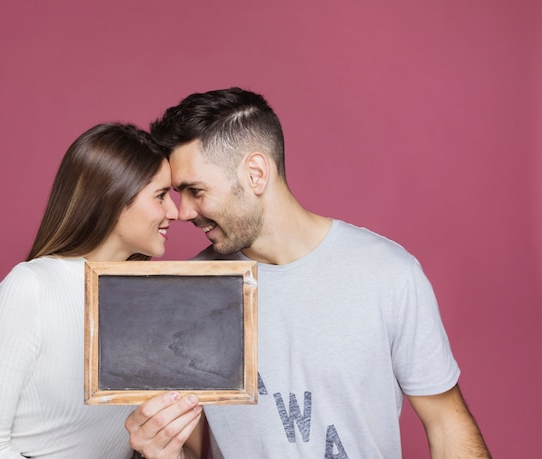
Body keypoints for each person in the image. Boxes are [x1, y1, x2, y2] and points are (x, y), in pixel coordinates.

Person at [125, 88, 492, 458]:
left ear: (255, 173)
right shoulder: (185, 294)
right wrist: (159, 453)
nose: (184, 211)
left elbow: (446, 422)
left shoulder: (389, 274)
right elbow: (191, 450)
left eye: (195, 191)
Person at [0, 123, 202, 458]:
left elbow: (176, 445)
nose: (175, 213)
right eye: (160, 196)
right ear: (114, 197)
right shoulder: (31, 287)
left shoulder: (152, 299)